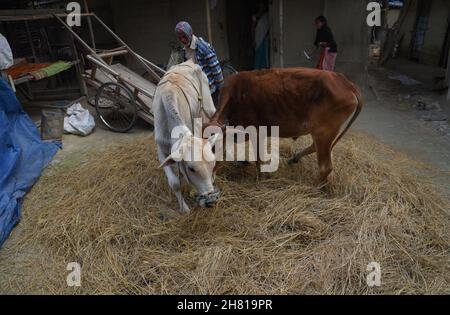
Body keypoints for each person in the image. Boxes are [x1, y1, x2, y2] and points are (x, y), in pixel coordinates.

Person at [175, 21, 224, 108]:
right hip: (196, 91)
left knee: (212, 116)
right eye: (180, 38)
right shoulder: (184, 50)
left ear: (190, 33)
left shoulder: (203, 47)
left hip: (210, 91)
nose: (182, 40)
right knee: (199, 118)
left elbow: (216, 69)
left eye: (184, 36)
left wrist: (221, 89)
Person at [252, 2, 270, 69]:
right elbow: (253, 28)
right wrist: (253, 39)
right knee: (258, 55)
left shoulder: (267, 15)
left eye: (262, 5)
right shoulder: (255, 16)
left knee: (265, 56)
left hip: (265, 38)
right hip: (258, 38)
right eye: (260, 5)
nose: (261, 7)